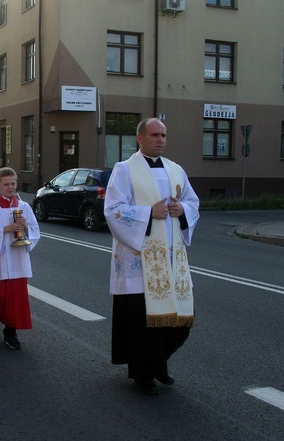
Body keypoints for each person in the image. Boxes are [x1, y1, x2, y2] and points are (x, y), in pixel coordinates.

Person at [104, 117, 200, 395]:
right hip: (139, 261)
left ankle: (157, 364)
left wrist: (183, 210)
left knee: (179, 321)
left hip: (172, 261)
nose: (161, 140)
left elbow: (193, 202)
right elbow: (113, 210)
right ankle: (143, 373)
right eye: (155, 135)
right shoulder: (124, 170)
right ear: (140, 138)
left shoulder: (176, 170)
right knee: (142, 323)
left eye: (164, 135)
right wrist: (149, 214)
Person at [0, 167, 40, 350]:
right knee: (0, 296)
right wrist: (6, 229)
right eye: (6, 184)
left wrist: (25, 228)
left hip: (19, 259)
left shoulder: (24, 207)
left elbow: (35, 230)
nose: (10, 187)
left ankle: (10, 332)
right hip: (2, 258)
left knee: (17, 299)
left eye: (13, 183)